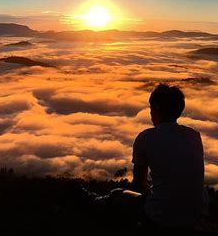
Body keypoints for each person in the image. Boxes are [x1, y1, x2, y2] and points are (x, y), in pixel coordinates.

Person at [75, 84, 208, 230]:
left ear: (156, 108)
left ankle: (91, 201)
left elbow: (139, 184)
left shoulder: (146, 138)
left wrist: (157, 195)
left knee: (117, 195)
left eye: (151, 108)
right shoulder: (194, 136)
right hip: (196, 214)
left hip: (162, 216)